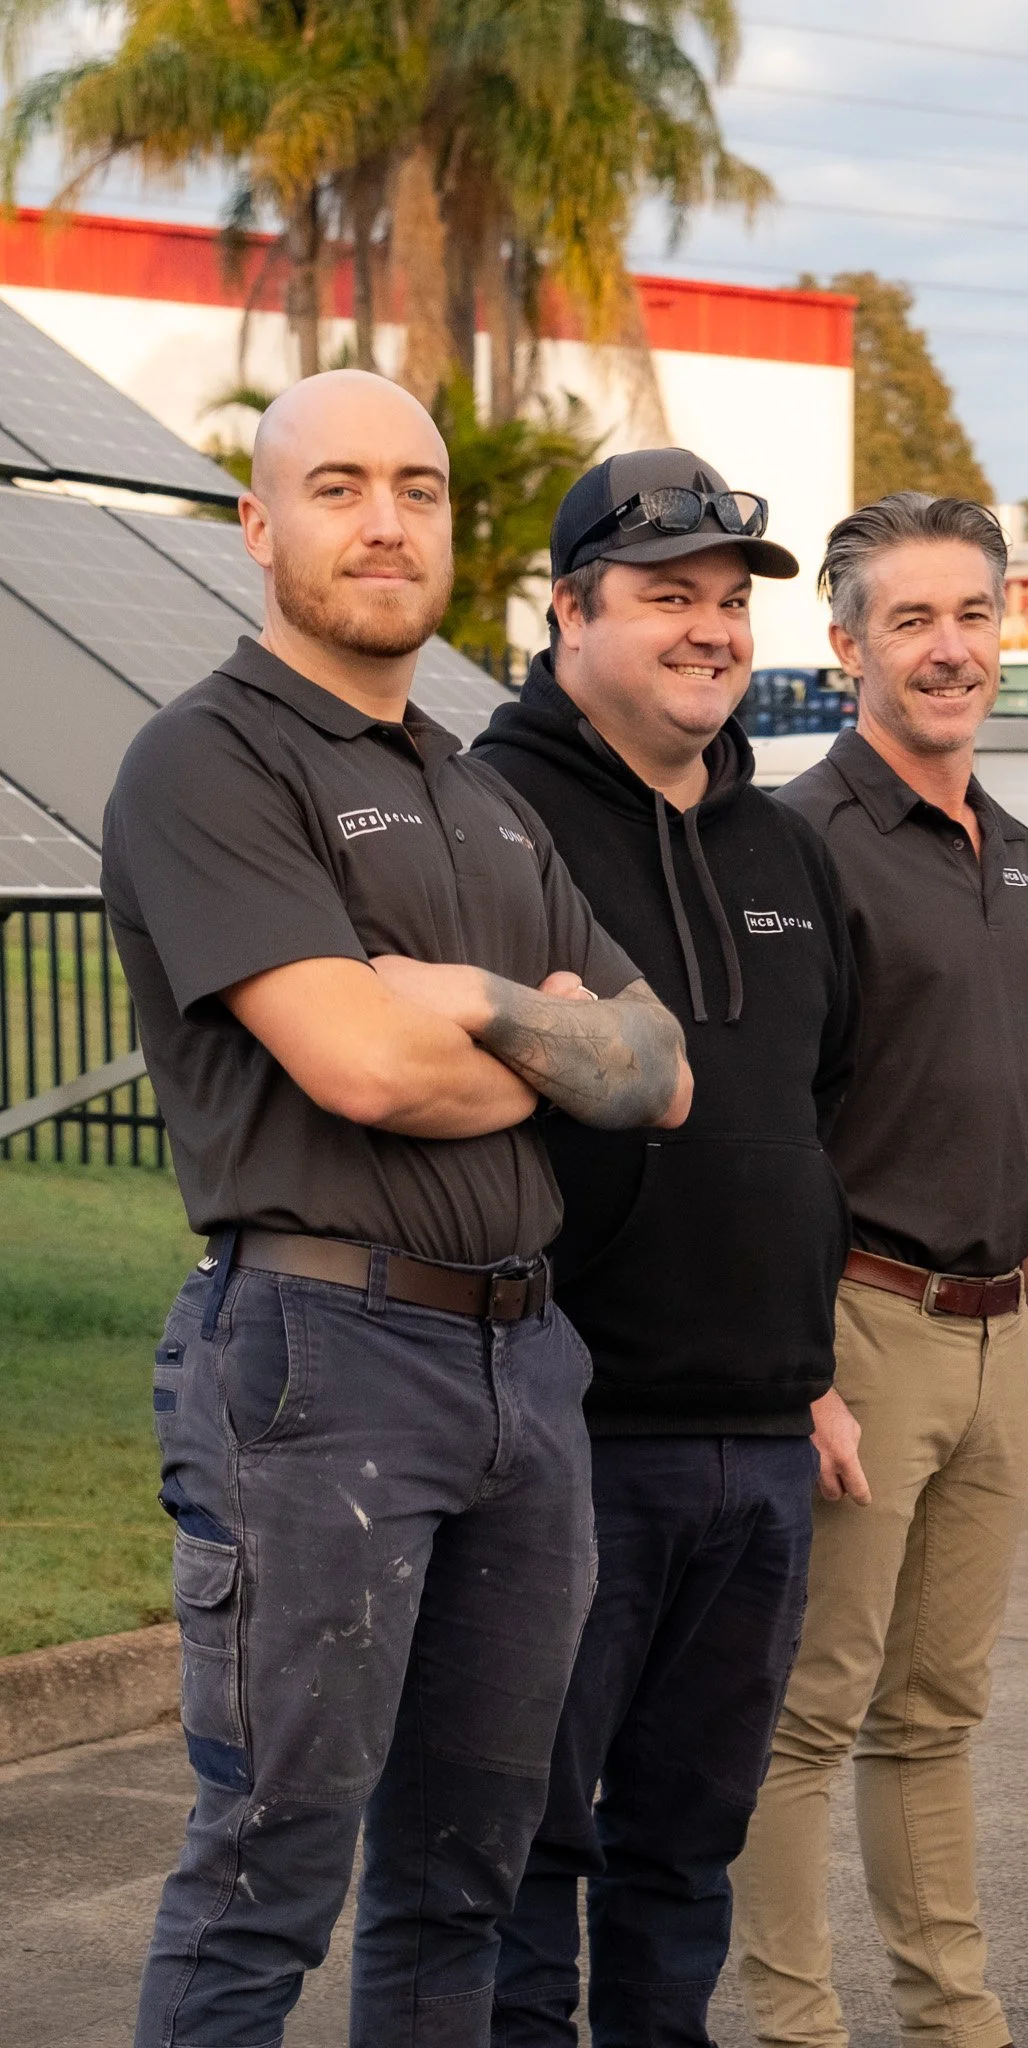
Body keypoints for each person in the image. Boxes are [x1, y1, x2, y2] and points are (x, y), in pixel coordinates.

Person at [101, 370, 692, 2047]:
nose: (385, 521)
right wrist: (543, 1026)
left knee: (464, 1877)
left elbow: (662, 1072)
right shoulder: (205, 760)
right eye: (341, 486)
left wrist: (468, 1000)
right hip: (315, 1359)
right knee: (268, 1871)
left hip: (525, 1361)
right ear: (261, 523)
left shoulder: (474, 781)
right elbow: (362, 1067)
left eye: (417, 489)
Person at [472, 450, 858, 2048]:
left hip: (762, 1438)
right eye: (665, 597)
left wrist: (815, 1372)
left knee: (687, 1845)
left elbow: (815, 1109)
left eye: (725, 602)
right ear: (570, 612)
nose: (708, 631)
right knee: (520, 1845)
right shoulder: (491, 820)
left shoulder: (787, 854)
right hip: (564, 1426)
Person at [729, 492, 1028, 2048]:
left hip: (991, 1337)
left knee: (938, 1715)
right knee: (809, 1712)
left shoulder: (1023, 861)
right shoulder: (795, 841)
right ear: (845, 646)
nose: (948, 649)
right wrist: (797, 1365)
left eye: (973, 614)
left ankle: (955, 2021)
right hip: (859, 1324)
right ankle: (796, 2028)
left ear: (1007, 626)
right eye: (911, 621)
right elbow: (760, 1128)